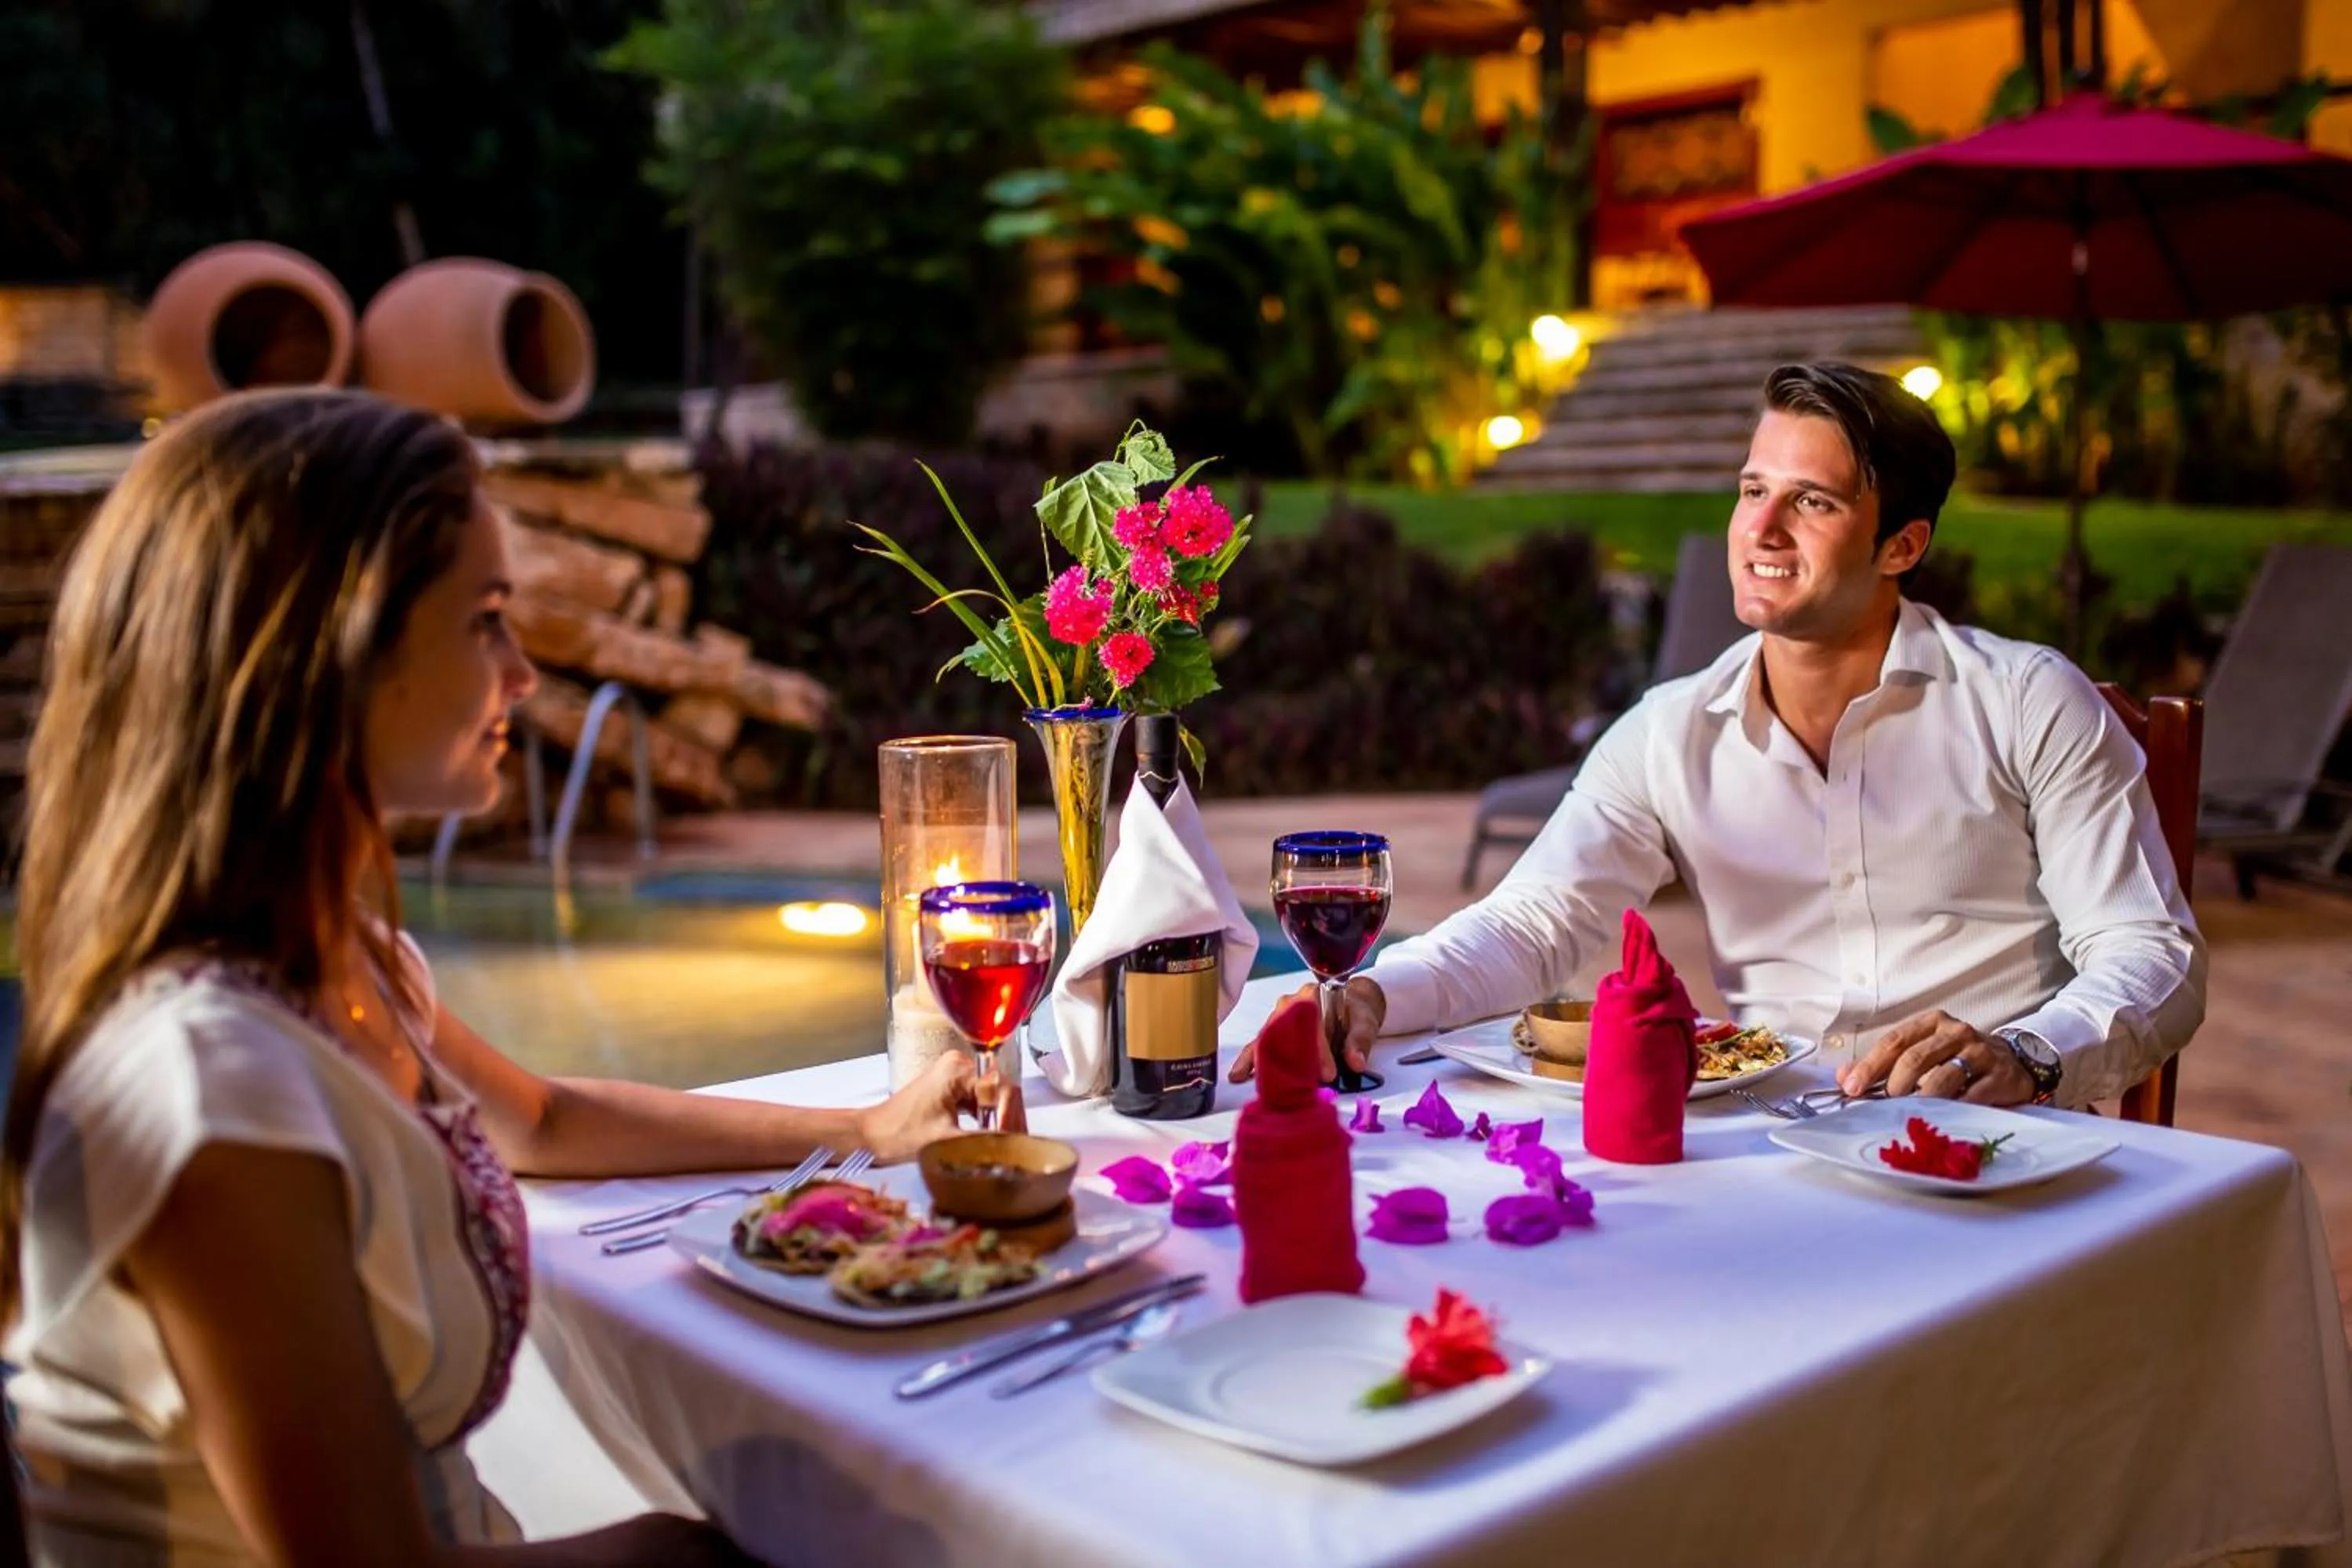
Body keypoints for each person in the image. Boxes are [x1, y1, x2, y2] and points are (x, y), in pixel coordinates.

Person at [2, 389, 1019, 1565]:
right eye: (487, 619)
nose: (527, 674)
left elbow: (541, 1115)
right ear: (331, 649)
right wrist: (688, 1556)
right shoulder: (210, 1088)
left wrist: (867, 1125)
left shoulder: (346, 965)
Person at [1234, 361, 2204, 1110]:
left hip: (1992, 1144)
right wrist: (1371, 992)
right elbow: (1536, 922)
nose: (1764, 528)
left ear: (1903, 544)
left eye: (1813, 502)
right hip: (1770, 1142)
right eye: (1752, 490)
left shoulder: (2029, 700)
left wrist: (2032, 1056)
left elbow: (2149, 950)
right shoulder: (1669, 731)